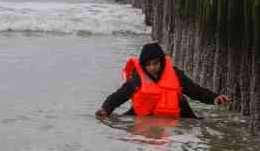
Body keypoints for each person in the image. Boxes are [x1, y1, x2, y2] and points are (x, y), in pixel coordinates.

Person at [95, 43, 231, 120]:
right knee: (117, 123)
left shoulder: (175, 74)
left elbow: (195, 91)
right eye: (148, 65)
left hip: (178, 118)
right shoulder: (137, 79)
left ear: (162, 61)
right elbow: (119, 96)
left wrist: (214, 98)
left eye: (155, 63)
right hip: (145, 118)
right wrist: (105, 109)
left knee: (199, 124)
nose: (152, 68)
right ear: (143, 65)